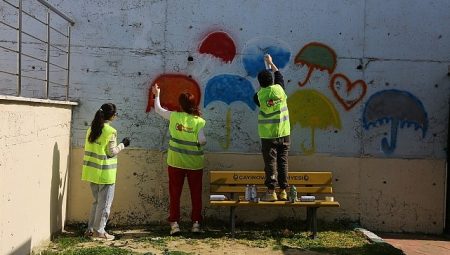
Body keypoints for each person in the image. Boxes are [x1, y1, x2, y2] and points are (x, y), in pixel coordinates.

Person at [152, 84, 206, 235]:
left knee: (175, 194)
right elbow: (202, 140)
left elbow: (158, 110)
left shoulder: (174, 116)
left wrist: (157, 93)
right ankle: (196, 224)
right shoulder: (198, 121)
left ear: (180, 104)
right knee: (196, 194)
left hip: (175, 162)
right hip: (195, 164)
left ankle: (174, 224)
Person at [81, 103, 130, 241]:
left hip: (92, 171)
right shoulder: (111, 131)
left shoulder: (91, 129)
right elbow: (111, 152)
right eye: (116, 114)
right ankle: (99, 231)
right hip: (105, 173)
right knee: (105, 204)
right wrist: (123, 144)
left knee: (97, 202)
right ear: (112, 116)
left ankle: (90, 230)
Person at [253, 54, 291, 202]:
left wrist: (265, 72)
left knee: (270, 163)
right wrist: (271, 63)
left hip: (268, 135)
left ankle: (271, 191)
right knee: (283, 162)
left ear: (260, 83)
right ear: (272, 81)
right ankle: (283, 191)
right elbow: (279, 75)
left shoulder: (258, 97)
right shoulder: (280, 90)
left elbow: (262, 92)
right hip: (284, 132)